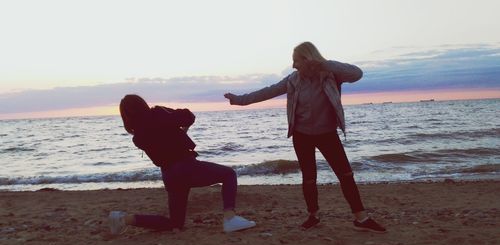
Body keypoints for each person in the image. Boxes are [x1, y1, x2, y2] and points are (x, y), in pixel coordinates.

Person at [224, 41, 386, 233]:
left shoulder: (331, 75)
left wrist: (324, 63)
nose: (294, 65)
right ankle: (313, 215)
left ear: (308, 59)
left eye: (296, 61)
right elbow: (268, 91)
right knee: (309, 177)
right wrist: (239, 100)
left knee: (346, 175)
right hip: (302, 136)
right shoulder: (293, 80)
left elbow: (357, 73)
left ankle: (361, 218)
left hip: (327, 134)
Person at [109, 94, 256, 234]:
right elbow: (188, 116)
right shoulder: (159, 113)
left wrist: (179, 132)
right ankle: (230, 218)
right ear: (142, 104)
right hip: (187, 167)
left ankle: (124, 219)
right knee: (229, 174)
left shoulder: (138, 137)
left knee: (175, 224)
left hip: (170, 175)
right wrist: (179, 126)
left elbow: (164, 147)